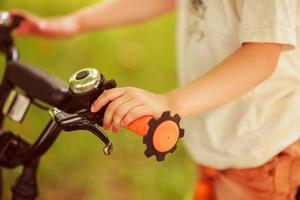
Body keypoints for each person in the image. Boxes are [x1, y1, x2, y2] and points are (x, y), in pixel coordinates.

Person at [10, 0, 300, 199]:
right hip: (220, 143)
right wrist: (73, 22)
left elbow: (261, 55)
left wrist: (170, 102)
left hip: (263, 157)